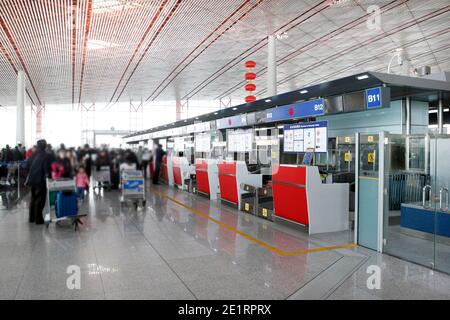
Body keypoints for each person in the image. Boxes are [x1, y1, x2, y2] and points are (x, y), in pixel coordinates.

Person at [26, 139, 51, 224]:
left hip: (32, 180)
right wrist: (48, 176)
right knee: (40, 200)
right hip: (40, 181)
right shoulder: (45, 155)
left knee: (33, 198)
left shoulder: (33, 154)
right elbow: (46, 168)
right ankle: (38, 219)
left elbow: (27, 164)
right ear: (45, 145)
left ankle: (31, 218)